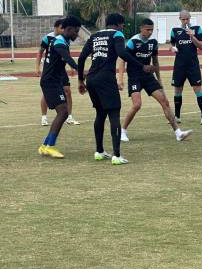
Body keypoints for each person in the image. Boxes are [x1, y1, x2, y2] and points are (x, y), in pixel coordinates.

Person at [77, 13, 153, 165]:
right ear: (118, 24)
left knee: (100, 113)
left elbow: (81, 58)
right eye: (123, 25)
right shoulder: (117, 34)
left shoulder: (95, 36)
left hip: (91, 78)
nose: (123, 28)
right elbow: (122, 53)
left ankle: (99, 151)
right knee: (114, 114)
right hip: (106, 78)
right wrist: (142, 65)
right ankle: (116, 155)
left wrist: (80, 79)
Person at [118, 18, 192, 142]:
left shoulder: (153, 42)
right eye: (148, 29)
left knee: (165, 102)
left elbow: (155, 62)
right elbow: (122, 59)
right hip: (135, 77)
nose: (150, 32)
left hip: (148, 77)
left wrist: (159, 80)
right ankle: (122, 131)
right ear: (141, 28)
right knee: (137, 105)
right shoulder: (133, 42)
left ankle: (178, 132)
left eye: (152, 29)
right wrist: (120, 79)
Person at [38, 16, 81, 158]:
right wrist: (81, 70)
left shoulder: (64, 40)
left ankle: (45, 145)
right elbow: (68, 58)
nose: (77, 34)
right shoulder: (59, 42)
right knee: (63, 112)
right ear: (68, 29)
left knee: (63, 112)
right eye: (76, 31)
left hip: (54, 81)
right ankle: (50, 146)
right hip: (50, 81)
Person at [170, 10, 202, 124]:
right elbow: (172, 45)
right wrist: (172, 48)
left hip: (193, 65)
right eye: (183, 19)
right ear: (180, 18)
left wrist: (192, 36)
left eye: (187, 19)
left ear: (190, 18)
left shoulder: (196, 29)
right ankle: (177, 116)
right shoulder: (175, 31)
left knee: (197, 89)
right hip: (179, 65)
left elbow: (201, 46)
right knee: (177, 90)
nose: (185, 21)